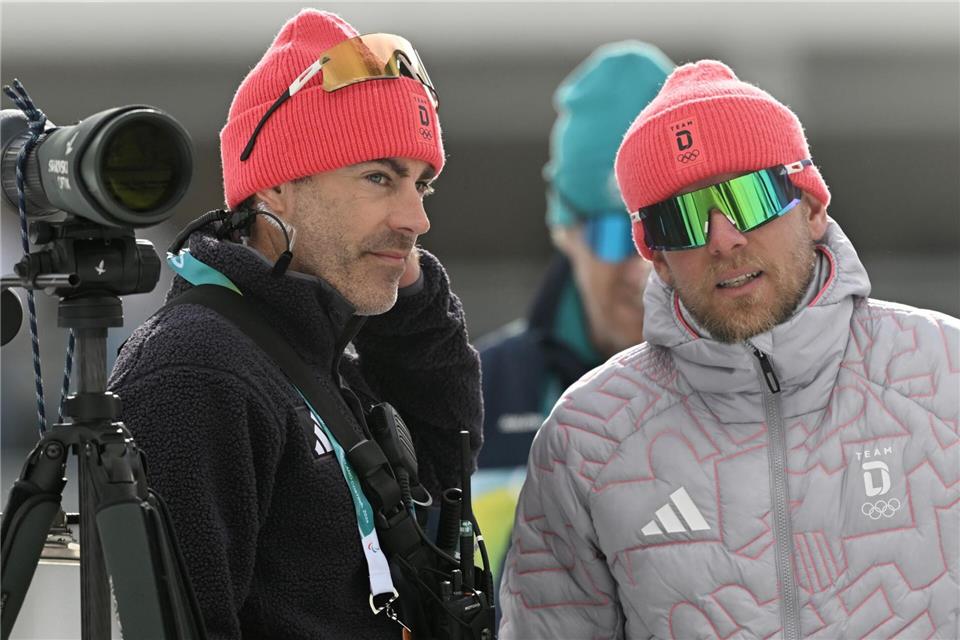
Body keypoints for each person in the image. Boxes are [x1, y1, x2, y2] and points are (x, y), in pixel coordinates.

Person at [499, 59, 959, 639]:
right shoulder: (586, 436)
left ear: (812, 205)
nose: (723, 239)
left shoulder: (948, 373)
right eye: (684, 217)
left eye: (747, 196)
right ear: (657, 257)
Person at [109, 9, 482, 639]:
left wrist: (404, 284)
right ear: (277, 187)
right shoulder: (199, 369)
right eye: (378, 178)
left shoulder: (320, 360)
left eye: (421, 186)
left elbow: (449, 471)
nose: (416, 218)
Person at [472, 42, 673, 584]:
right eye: (614, 234)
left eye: (660, 230)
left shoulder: (755, 386)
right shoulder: (478, 396)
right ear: (566, 230)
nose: (643, 267)